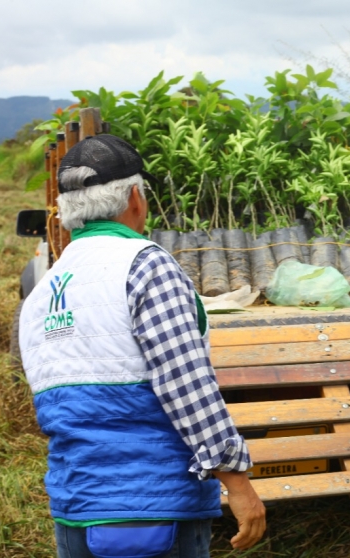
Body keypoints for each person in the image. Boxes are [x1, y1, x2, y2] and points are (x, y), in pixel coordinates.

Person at [19, 134, 266, 558]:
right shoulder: (145, 265)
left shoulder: (44, 291)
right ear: (135, 197)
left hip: (75, 512)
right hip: (154, 511)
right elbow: (185, 384)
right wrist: (237, 481)